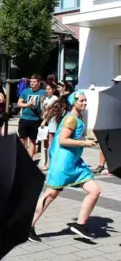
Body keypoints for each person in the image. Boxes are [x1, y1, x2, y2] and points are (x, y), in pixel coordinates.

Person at [29, 91, 100, 242]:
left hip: (74, 162)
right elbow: (62, 140)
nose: (84, 103)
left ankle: (80, 225)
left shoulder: (79, 117)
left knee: (94, 190)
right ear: (73, 102)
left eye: (85, 100)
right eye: (81, 100)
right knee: (50, 195)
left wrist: (87, 140)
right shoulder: (70, 119)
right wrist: (85, 143)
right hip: (62, 163)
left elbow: (75, 137)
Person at [17, 74, 47, 158]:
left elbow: (46, 105)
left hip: (35, 119)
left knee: (32, 140)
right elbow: (19, 104)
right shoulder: (25, 91)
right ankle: (22, 157)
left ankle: (29, 159)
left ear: (39, 83)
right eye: (31, 81)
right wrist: (27, 104)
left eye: (34, 82)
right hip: (24, 118)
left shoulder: (43, 92)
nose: (32, 83)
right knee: (22, 139)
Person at [39, 82, 59, 171]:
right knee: (45, 143)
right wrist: (42, 102)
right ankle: (46, 161)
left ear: (53, 90)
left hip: (52, 121)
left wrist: (44, 121)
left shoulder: (55, 99)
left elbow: (51, 112)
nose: (47, 91)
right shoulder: (47, 98)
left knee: (51, 142)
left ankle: (49, 163)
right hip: (46, 120)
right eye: (46, 89)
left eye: (49, 89)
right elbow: (43, 111)